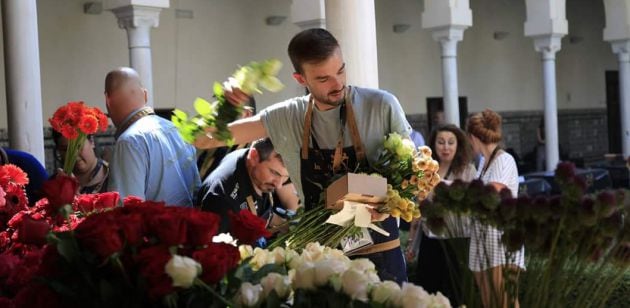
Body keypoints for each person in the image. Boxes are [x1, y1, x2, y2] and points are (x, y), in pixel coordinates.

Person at [195, 28, 412, 284]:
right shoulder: (288, 116)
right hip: (321, 263)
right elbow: (202, 139)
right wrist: (226, 104)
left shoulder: (382, 105)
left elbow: (416, 176)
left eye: (341, 70)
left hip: (382, 259)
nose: (338, 84)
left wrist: (386, 201)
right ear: (300, 79)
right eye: (323, 79)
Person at [105, 67, 200, 206]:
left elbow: (128, 213)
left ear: (107, 99)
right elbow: (197, 189)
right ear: (145, 95)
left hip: (156, 227)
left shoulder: (129, 142)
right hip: (193, 224)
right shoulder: (177, 129)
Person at [406, 124, 476, 305]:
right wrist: (411, 243)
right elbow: (418, 208)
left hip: (457, 240)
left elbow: (472, 203)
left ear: (458, 145)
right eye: (441, 142)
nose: (446, 147)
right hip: (431, 240)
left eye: (451, 142)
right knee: (427, 292)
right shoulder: (426, 169)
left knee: (457, 293)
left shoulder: (467, 170)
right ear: (433, 145)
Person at [466, 109, 525, 308]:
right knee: (490, 303)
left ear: (473, 137)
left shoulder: (504, 159)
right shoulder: (484, 162)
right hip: (484, 241)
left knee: (505, 302)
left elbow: (492, 193)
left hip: (501, 242)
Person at [198, 138, 300, 237]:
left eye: (286, 177)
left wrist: (291, 228)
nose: (279, 185)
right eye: (274, 173)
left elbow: (263, 214)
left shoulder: (252, 168)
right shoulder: (222, 200)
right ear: (254, 156)